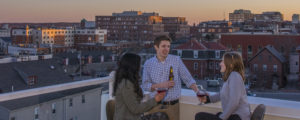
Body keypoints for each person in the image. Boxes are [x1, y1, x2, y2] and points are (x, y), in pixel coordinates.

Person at [142, 35, 200, 120]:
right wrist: (161, 85)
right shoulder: (148, 63)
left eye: (168, 46)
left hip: (172, 107)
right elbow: (145, 85)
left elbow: (187, 78)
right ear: (156, 47)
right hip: (154, 106)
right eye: (163, 46)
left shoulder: (176, 60)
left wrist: (198, 91)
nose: (166, 49)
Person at [195, 52, 251, 120]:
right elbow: (222, 94)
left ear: (231, 65)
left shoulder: (234, 76)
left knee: (199, 116)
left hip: (238, 117)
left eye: (223, 61)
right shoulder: (231, 76)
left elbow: (234, 102)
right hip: (233, 116)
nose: (220, 63)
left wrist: (222, 117)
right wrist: (207, 99)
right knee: (216, 114)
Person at [113, 53, 168, 120]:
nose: (139, 67)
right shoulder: (126, 84)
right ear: (133, 66)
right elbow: (135, 109)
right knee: (162, 117)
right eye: (138, 64)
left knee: (162, 115)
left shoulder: (126, 81)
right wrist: (155, 100)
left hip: (134, 117)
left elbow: (134, 100)